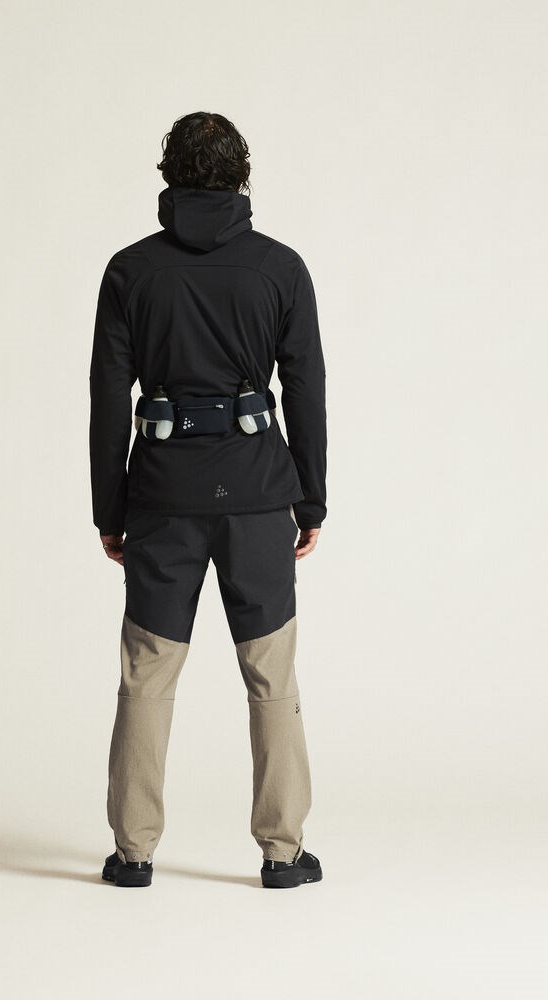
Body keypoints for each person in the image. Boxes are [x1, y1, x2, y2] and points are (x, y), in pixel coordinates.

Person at [89, 111, 327, 888]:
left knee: (148, 672)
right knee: (271, 673)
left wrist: (110, 509)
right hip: (258, 495)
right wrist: (311, 501)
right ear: (242, 175)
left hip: (162, 496)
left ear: (168, 176)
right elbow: (306, 390)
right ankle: (283, 854)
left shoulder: (130, 272)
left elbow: (106, 399)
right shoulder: (280, 268)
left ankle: (133, 853)